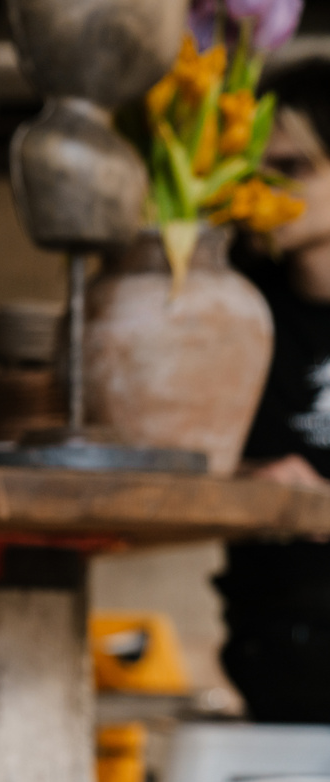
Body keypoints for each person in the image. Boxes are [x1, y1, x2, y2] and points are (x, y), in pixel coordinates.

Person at [219, 58, 330, 723]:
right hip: (272, 663)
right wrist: (251, 482)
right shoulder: (234, 311)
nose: (263, 189)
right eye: (253, 171)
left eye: (291, 168)